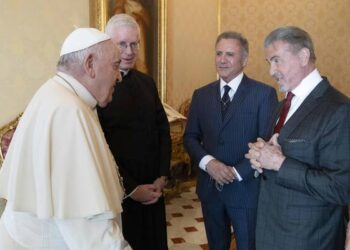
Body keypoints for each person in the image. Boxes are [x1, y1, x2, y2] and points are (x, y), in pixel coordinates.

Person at [0, 28, 131, 249]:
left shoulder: (56, 94)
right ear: (90, 65)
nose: (119, 75)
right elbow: (88, 225)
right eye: (115, 65)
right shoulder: (69, 112)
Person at [245, 26, 350, 250]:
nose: (271, 71)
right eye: (268, 62)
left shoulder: (339, 109)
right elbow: (275, 155)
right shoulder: (282, 104)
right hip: (270, 230)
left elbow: (341, 187)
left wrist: (280, 163)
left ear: (303, 56)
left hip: (308, 239)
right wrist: (260, 157)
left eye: (276, 60)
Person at [183, 31, 278, 250]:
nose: (222, 59)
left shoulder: (264, 94)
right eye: (218, 54)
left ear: (244, 60)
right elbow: (190, 137)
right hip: (210, 188)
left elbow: (266, 143)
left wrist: (234, 173)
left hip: (246, 190)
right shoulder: (201, 95)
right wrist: (209, 164)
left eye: (229, 54)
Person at [97, 14, 171, 250]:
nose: (129, 51)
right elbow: (101, 146)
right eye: (122, 44)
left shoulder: (147, 82)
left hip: (153, 188)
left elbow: (162, 129)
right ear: (109, 45)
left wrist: (162, 175)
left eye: (134, 44)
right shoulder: (99, 88)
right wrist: (130, 189)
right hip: (121, 193)